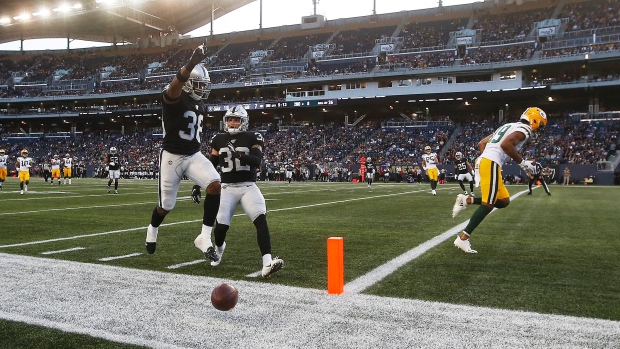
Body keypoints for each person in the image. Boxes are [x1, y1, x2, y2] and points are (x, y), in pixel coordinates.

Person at [144, 44, 222, 263]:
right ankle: (152, 229)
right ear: (187, 83)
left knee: (215, 185)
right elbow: (174, 86)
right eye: (198, 84)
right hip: (172, 156)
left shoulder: (200, 105)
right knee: (166, 206)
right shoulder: (174, 97)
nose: (202, 89)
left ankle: (204, 237)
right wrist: (191, 63)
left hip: (194, 154)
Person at [194, 105, 283, 278]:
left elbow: (257, 161)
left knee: (260, 219)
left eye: (236, 119)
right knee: (220, 230)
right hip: (226, 188)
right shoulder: (218, 139)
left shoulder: (253, 137)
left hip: (248, 186)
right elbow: (210, 165)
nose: (233, 123)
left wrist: (240, 155)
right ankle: (219, 249)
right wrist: (198, 184)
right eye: (230, 119)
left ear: (244, 122)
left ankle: (267, 263)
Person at [451, 107, 547, 253]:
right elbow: (505, 144)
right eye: (539, 125)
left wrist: (488, 158)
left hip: (486, 161)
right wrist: (523, 163)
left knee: (503, 201)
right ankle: (462, 239)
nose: (538, 129)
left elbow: (481, 144)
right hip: (490, 163)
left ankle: (467, 200)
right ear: (534, 120)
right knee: (488, 204)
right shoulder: (525, 129)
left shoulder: (508, 126)